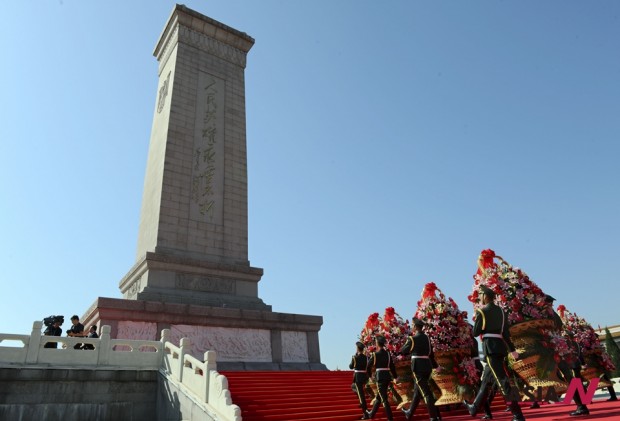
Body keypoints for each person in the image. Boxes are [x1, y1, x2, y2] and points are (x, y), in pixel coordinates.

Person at [464, 285, 525, 421]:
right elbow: (505, 333)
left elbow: (475, 333)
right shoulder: (502, 312)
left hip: (490, 349)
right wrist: (512, 350)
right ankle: (474, 408)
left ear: (485, 296)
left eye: (480, 295)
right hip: (500, 348)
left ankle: (517, 415)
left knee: (502, 382)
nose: (479, 298)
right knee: (486, 382)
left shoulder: (482, 311)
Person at [399, 317, 440, 421]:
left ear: (415, 326)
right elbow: (431, 354)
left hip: (418, 367)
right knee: (418, 392)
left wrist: (406, 343)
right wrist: (436, 366)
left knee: (426, 393)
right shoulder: (427, 338)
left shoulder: (412, 339)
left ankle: (434, 417)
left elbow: (403, 351)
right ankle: (409, 413)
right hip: (427, 366)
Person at [365, 335, 397, 421]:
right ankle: (372, 413)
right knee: (379, 397)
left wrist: (370, 375)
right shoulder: (388, 354)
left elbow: (368, 366)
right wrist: (395, 376)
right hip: (387, 376)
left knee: (384, 399)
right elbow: (392, 366)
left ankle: (390, 418)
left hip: (380, 377)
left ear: (377, 343)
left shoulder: (375, 354)